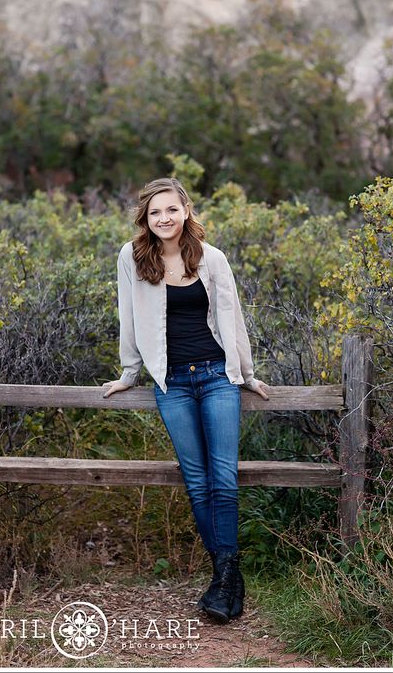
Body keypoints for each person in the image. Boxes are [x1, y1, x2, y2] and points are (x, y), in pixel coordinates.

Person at [103, 177, 270, 624]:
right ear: (146, 217)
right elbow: (128, 316)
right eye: (155, 212)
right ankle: (226, 578)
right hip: (170, 382)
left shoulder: (211, 258)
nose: (164, 219)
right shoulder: (132, 257)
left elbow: (232, 318)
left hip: (217, 377)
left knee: (223, 477)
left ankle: (223, 579)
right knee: (196, 480)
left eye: (171, 210)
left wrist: (247, 375)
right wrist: (128, 373)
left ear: (185, 211)